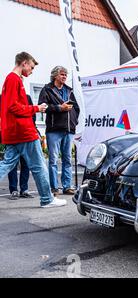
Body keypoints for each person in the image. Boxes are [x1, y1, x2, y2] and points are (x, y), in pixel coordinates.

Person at [0, 52, 66, 208]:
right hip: (23, 131)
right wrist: (36, 108)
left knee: (7, 164)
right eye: (31, 66)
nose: (31, 70)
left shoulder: (13, 80)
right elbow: (13, 107)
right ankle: (47, 199)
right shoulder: (13, 79)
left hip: (14, 131)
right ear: (23, 63)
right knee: (39, 165)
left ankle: (47, 198)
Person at [38, 66, 80, 196]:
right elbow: (43, 107)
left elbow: (77, 108)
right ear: (55, 76)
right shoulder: (47, 89)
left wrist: (74, 122)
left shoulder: (69, 90)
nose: (64, 77)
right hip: (54, 130)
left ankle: (67, 187)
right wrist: (59, 108)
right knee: (53, 160)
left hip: (69, 129)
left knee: (67, 159)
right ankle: (54, 188)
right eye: (62, 74)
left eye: (65, 75)